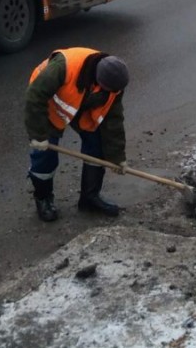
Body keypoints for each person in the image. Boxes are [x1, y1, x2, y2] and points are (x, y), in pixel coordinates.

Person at [25, 47, 129, 222]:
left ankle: (89, 198)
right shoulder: (63, 67)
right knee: (45, 156)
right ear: (98, 80)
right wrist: (38, 135)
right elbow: (35, 97)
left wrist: (117, 157)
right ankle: (43, 199)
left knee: (97, 145)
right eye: (107, 90)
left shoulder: (115, 84)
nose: (111, 94)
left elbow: (113, 122)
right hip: (50, 103)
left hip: (82, 102)